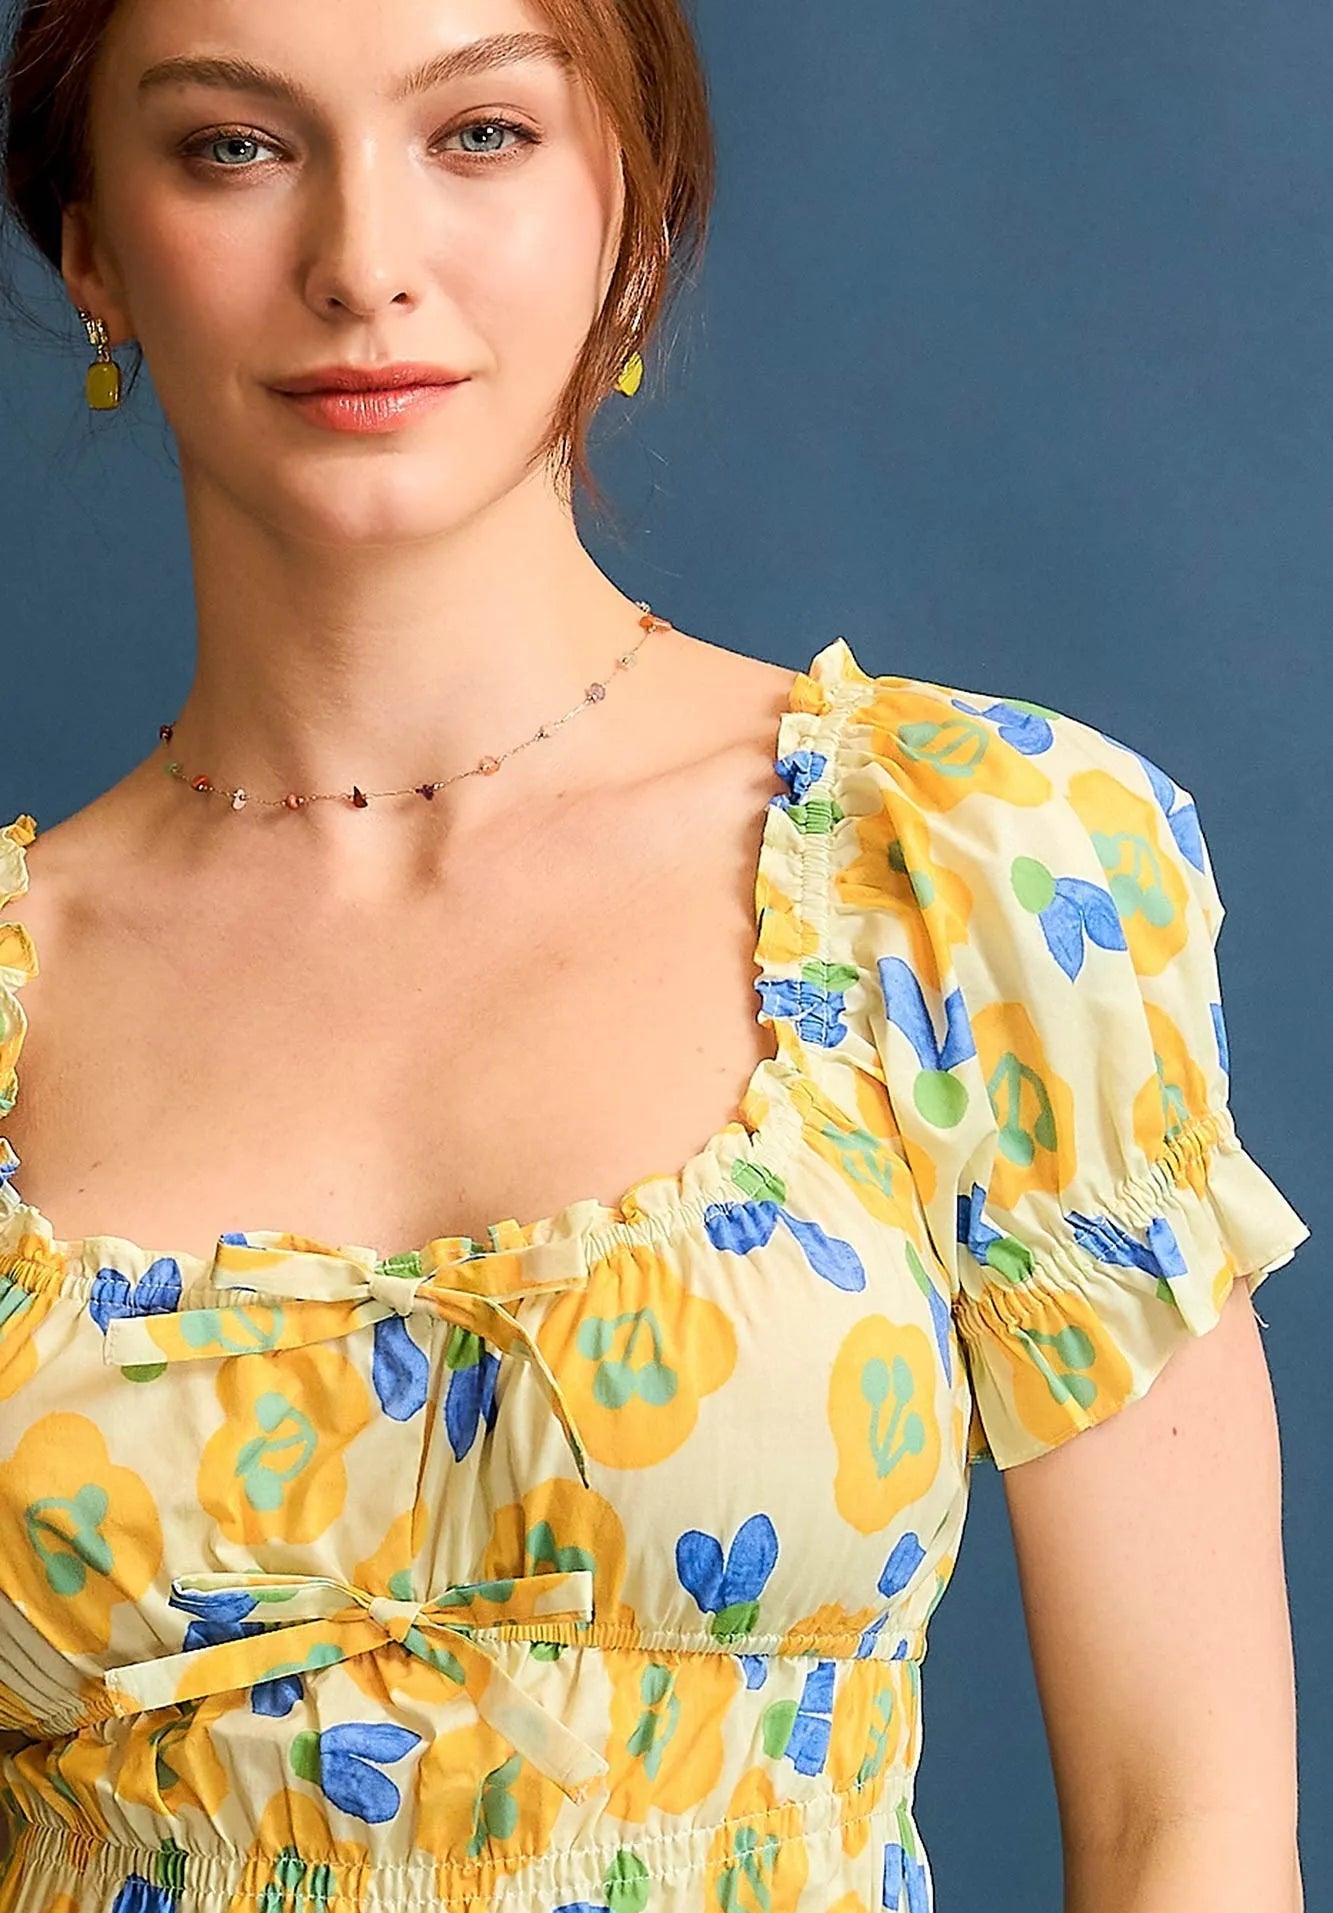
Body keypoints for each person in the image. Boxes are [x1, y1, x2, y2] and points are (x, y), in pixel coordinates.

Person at [0, 2, 1311, 1909]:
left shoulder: (961, 864)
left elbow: (1178, 1826)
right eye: (233, 145)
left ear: (637, 209)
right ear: (93, 245)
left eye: (479, 136)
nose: (364, 262)